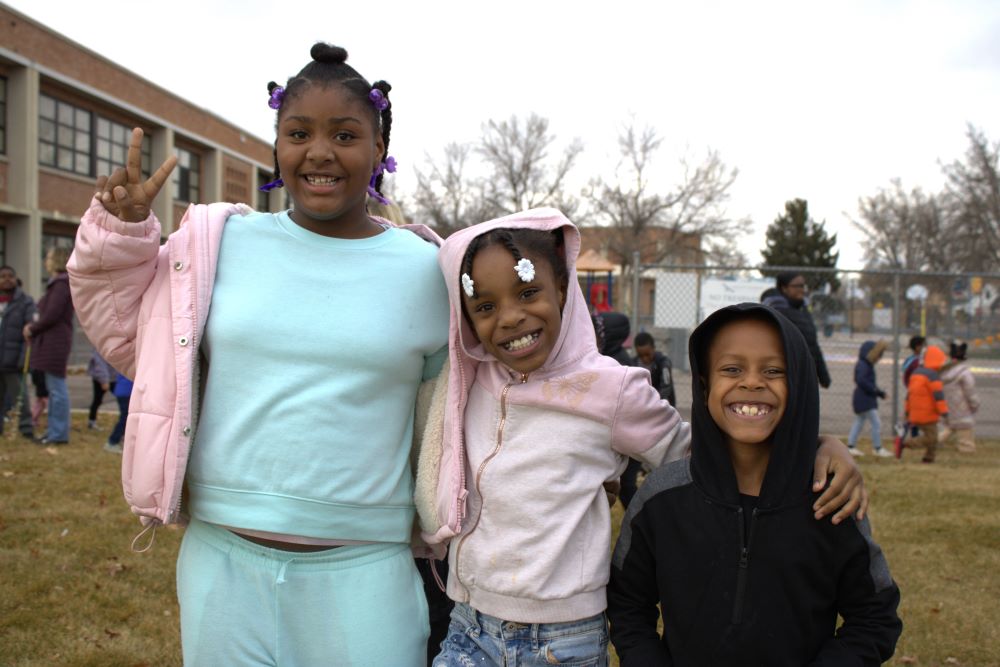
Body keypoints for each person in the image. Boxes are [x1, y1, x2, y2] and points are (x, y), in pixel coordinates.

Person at [69, 43, 449, 666]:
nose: (319, 152)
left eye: (345, 134)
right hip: (222, 561)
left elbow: (463, 406)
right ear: (277, 145)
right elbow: (130, 330)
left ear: (379, 148)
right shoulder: (220, 245)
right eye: (298, 133)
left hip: (366, 570)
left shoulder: (427, 269)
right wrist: (122, 234)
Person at [417, 210, 868, 666]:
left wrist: (819, 446)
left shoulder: (611, 389)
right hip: (468, 625)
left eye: (528, 292)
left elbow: (698, 449)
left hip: (557, 639)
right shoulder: (469, 380)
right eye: (485, 307)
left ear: (562, 289)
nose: (510, 317)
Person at [607, 303, 902, 666]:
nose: (752, 382)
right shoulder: (660, 499)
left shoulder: (831, 499)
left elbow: (875, 619)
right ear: (704, 385)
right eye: (732, 369)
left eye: (774, 370)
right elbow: (627, 605)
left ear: (799, 385)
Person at [617, 331, 677, 509]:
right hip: (640, 422)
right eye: (641, 355)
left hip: (661, 419)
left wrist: (649, 404)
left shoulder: (663, 363)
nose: (645, 358)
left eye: (648, 354)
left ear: (654, 349)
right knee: (629, 479)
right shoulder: (633, 364)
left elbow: (666, 389)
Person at [23, 247, 75, 445]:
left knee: (56, 389)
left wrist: (32, 328)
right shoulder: (57, 284)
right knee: (54, 390)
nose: (46, 260)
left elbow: (51, 315)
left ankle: (58, 434)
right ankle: (54, 431)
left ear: (57, 260)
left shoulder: (61, 285)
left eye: (49, 257)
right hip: (50, 342)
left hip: (54, 343)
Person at [762, 272, 831, 388]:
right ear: (784, 288)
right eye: (797, 286)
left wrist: (823, 375)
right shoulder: (776, 311)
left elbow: (812, 345)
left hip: (804, 374)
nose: (802, 289)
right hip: (783, 377)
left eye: (803, 286)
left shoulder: (803, 310)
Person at [0, 265, 36, 439]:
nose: (7, 279)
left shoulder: (25, 302)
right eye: (3, 276)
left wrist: (23, 358)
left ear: (16, 279)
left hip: (13, 360)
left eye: (10, 276)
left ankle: (26, 429)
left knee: (20, 398)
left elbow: (30, 329)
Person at [898, 344, 949, 463]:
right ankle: (905, 444)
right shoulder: (932, 376)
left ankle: (929, 458)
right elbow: (938, 397)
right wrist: (944, 412)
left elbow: (909, 395)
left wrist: (907, 411)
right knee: (932, 438)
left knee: (933, 434)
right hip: (927, 413)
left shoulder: (916, 373)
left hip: (916, 412)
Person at [848, 339, 893, 457]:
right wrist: (877, 392)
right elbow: (862, 380)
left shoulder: (865, 365)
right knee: (876, 423)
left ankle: (851, 446)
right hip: (865, 399)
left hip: (863, 398)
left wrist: (878, 392)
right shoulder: (864, 365)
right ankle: (877, 448)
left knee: (859, 421)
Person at [939, 340, 979, 454]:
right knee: (965, 432)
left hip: (947, 405)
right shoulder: (964, 372)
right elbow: (970, 391)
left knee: (950, 427)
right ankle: (966, 448)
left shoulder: (944, 371)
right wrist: (975, 404)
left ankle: (934, 441)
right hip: (962, 408)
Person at [86, 349, 116, 430]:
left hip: (113, 377)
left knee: (124, 401)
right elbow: (99, 364)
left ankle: (124, 422)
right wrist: (104, 380)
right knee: (97, 400)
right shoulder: (100, 349)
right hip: (102, 379)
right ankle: (91, 421)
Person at [104, 370, 132, 454]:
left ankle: (120, 439)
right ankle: (112, 441)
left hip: (124, 390)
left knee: (127, 418)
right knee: (125, 418)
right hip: (126, 391)